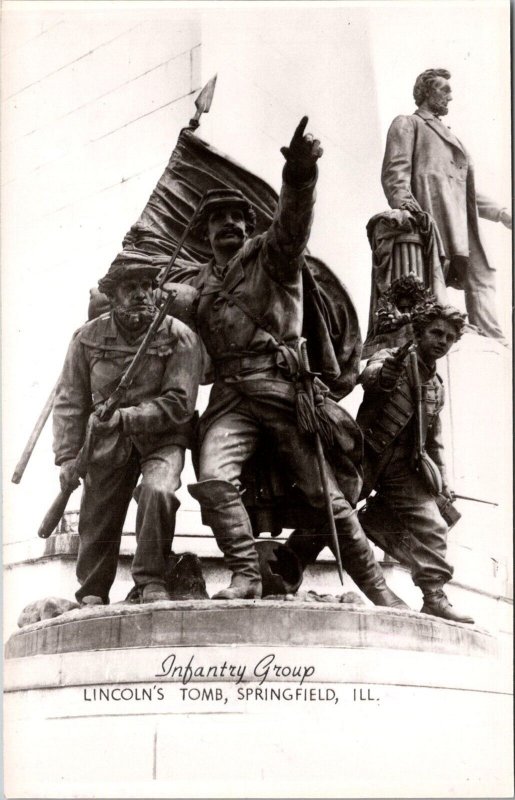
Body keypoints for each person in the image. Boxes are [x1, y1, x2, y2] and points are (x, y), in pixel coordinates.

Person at [184, 117, 404, 607]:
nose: (233, 228)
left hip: (285, 392)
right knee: (214, 476)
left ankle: (380, 589)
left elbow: (292, 220)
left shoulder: (272, 255)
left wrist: (300, 178)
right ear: (204, 232)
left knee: (326, 495)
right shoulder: (196, 284)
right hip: (231, 399)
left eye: (240, 220)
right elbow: (157, 305)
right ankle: (245, 575)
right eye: (221, 222)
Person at [53, 251, 202, 605]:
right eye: (130, 287)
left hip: (162, 438)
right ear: (114, 294)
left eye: (148, 286)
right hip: (106, 441)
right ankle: (91, 590)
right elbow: (69, 401)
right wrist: (66, 457)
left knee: (159, 491)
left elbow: (180, 403)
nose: (140, 294)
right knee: (98, 508)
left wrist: (126, 417)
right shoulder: (86, 339)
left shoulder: (180, 336)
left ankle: (151, 580)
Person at [356, 302, 474, 623]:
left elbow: (434, 442)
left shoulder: (437, 387)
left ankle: (433, 596)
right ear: (419, 332)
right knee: (325, 515)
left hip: (401, 467)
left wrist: (443, 483)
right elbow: (370, 377)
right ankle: (287, 566)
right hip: (362, 456)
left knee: (434, 525)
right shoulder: (393, 356)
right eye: (436, 332)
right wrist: (385, 373)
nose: (442, 341)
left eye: (449, 338)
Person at [381, 68, 511, 343]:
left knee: (483, 273)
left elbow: (467, 191)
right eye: (444, 90)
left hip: (463, 221)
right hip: (432, 214)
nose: (450, 97)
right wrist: (407, 207)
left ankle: (493, 339)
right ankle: (437, 326)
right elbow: (396, 172)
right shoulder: (408, 123)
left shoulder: (451, 136)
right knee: (434, 277)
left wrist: (500, 212)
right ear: (426, 91)